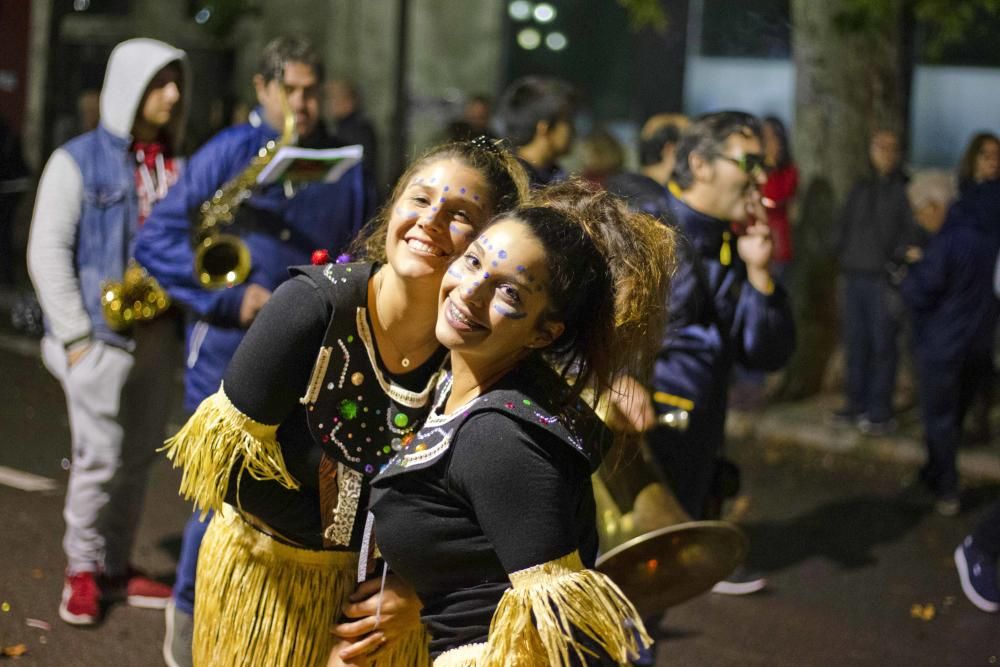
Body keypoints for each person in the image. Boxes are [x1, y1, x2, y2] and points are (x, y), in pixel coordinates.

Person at [161, 138, 527, 667]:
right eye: (419, 200)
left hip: (393, 612)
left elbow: (491, 514)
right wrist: (384, 553)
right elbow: (218, 468)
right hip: (271, 587)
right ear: (394, 206)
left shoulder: (481, 351)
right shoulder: (311, 308)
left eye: (460, 214)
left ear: (488, 245)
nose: (430, 220)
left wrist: (417, 591)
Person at [133, 35, 374, 667]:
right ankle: (187, 624)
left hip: (315, 350)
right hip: (231, 346)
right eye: (289, 89)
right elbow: (156, 239)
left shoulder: (340, 160)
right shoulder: (229, 152)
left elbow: (357, 243)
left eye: (310, 90)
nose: (302, 102)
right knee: (221, 490)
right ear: (263, 89)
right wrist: (230, 300)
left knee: (299, 484)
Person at [368, 180, 674, 664]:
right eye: (473, 261)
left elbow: (562, 637)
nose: (469, 292)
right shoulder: (458, 386)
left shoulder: (498, 439)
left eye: (507, 291)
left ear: (543, 333)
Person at [25, 38, 188, 626]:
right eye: (160, 82)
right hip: (98, 338)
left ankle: (116, 565)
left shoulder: (175, 164)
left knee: (138, 458)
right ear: (130, 86)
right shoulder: (76, 160)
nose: (172, 95)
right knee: (97, 460)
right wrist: (74, 340)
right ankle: (82, 570)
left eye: (177, 83)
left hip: (156, 335)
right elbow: (46, 251)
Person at [643, 111, 795, 595]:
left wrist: (760, 274)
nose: (760, 177)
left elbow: (765, 353)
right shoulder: (649, 228)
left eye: (763, 164)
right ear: (700, 164)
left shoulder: (729, 238)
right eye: (748, 161)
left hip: (700, 419)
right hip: (649, 425)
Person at [900, 171, 1000, 515]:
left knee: (938, 419)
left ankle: (947, 489)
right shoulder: (985, 235)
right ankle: (932, 472)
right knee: (953, 417)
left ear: (934, 206)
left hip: (943, 347)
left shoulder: (944, 244)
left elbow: (921, 292)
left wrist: (908, 273)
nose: (918, 219)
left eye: (919, 211)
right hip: (978, 344)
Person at [831, 129, 921, 435]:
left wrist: (895, 262)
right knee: (857, 344)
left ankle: (880, 410)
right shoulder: (860, 186)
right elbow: (843, 224)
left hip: (883, 280)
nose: (884, 152)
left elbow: (912, 232)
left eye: (890, 146)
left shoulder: (905, 190)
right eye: (879, 145)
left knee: (883, 345)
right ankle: (855, 403)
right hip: (853, 275)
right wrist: (841, 254)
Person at [494, 76, 576, 187]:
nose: (573, 129)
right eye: (567, 121)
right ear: (544, 129)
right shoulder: (510, 182)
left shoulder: (555, 177)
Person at [760, 116, 798, 281]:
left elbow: (775, 198)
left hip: (778, 248)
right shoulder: (754, 169)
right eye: (763, 138)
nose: (766, 143)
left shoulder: (788, 172)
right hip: (754, 245)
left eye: (771, 137)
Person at [325, 78, 378, 175]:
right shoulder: (339, 128)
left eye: (335, 97)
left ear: (349, 100)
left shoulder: (358, 131)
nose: (330, 103)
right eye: (329, 98)